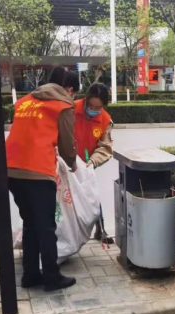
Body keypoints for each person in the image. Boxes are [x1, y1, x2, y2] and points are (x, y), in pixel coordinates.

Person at [6, 67, 78, 292]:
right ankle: (52, 278)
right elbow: (67, 145)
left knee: (30, 223)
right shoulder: (63, 105)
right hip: (37, 170)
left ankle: (30, 275)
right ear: (68, 89)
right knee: (46, 227)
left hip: (10, 169)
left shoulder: (24, 102)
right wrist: (73, 164)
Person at [73, 82, 114, 243]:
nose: (93, 110)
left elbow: (105, 147)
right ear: (85, 99)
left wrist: (92, 161)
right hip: (65, 162)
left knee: (91, 196)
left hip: (86, 165)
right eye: (90, 106)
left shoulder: (105, 120)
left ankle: (101, 230)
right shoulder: (70, 109)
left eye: (98, 108)